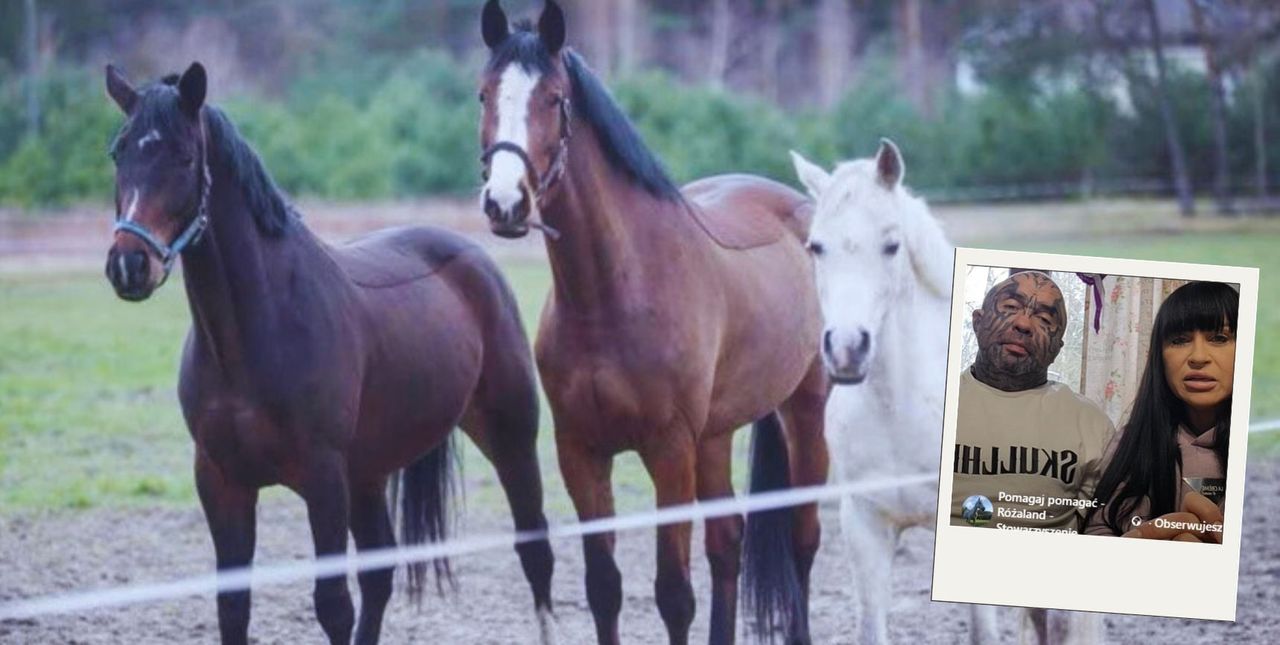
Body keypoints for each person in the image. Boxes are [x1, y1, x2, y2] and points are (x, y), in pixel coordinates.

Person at [951, 271, 1115, 532]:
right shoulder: (926, 405)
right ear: (978, 322)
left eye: (1044, 318)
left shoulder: (1092, 424)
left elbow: (1100, 529)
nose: (1024, 324)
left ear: (1057, 349)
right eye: (1011, 307)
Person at [1083, 281, 1237, 542]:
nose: (1198, 356)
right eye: (1179, 340)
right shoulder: (1131, 441)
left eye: (1219, 338)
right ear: (1160, 356)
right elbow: (1097, 529)